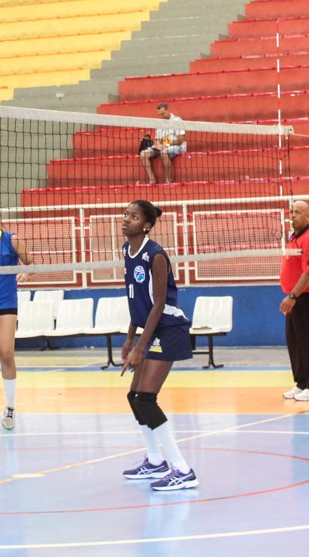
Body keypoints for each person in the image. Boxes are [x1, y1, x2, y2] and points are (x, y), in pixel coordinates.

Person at [119, 200, 198, 491]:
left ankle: (183, 469)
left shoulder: (156, 255)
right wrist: (130, 338)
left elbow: (159, 303)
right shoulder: (127, 251)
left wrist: (141, 346)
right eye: (126, 215)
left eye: (134, 216)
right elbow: (135, 300)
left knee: (145, 399)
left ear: (147, 225)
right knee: (134, 396)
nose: (127, 220)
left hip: (168, 329)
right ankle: (155, 461)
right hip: (149, 328)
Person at [0, 201, 31, 430]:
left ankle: (10, 407)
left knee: (6, 353)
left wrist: (26, 273)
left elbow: (30, 263)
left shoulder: (11, 239)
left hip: (5, 303)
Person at [280, 200, 309, 401]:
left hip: (304, 298)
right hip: (295, 299)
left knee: (307, 342)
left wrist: (292, 296)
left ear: (308, 216)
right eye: (292, 212)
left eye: (298, 212)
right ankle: (302, 382)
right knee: (294, 341)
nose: (293, 215)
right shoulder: (293, 238)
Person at [139, 103, 186, 184]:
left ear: (168, 109)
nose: (161, 117)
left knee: (164, 152)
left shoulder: (177, 121)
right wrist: (156, 145)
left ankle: (168, 179)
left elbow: (180, 140)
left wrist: (165, 145)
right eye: (159, 115)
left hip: (176, 146)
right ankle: (152, 179)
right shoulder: (159, 123)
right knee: (143, 154)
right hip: (163, 146)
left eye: (163, 114)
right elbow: (157, 140)